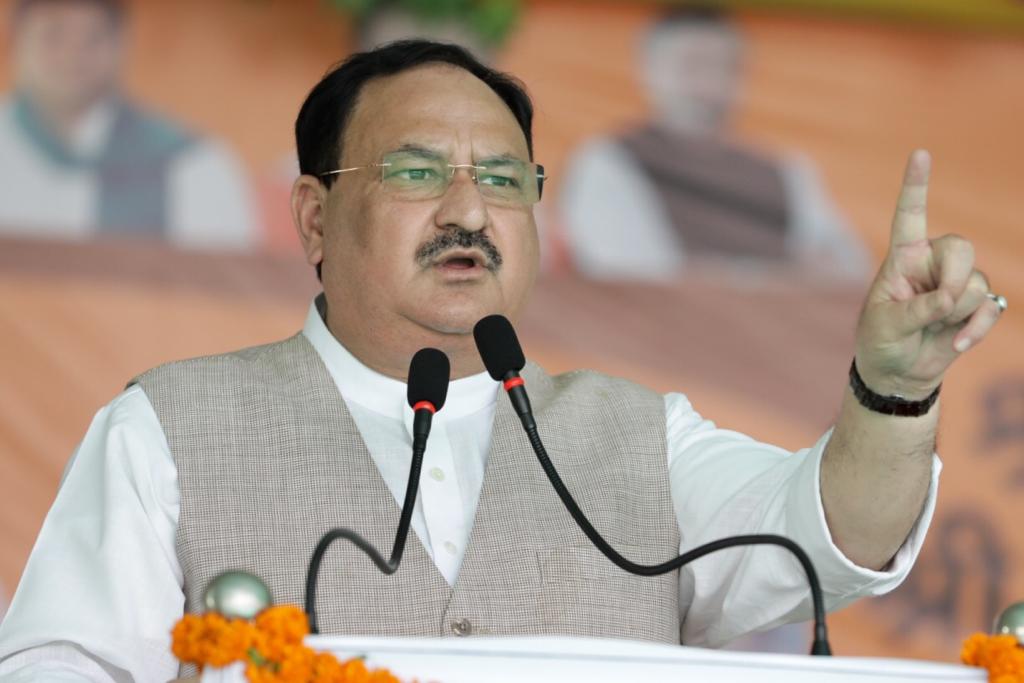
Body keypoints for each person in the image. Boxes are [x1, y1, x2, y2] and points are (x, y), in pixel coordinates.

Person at [0, 39, 1005, 682]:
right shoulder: (169, 427)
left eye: (500, 178)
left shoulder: (640, 434)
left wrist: (896, 386)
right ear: (313, 216)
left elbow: (833, 535)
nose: (468, 212)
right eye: (415, 172)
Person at [560, 9, 871, 281]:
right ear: (648, 69)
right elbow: (638, 276)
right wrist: (783, 274)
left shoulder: (784, 170)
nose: (707, 85)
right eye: (691, 66)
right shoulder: (609, 161)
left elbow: (847, 271)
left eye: (724, 67)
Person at [0, 0, 259, 248]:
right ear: (16, 40)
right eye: (53, 35)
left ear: (121, 44)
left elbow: (223, 279)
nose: (72, 53)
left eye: (93, 37)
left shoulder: (193, 163)